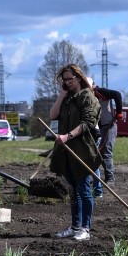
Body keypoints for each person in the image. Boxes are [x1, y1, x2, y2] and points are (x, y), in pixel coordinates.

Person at [48, 64, 101, 242]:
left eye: (70, 79)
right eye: (64, 80)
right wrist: (61, 95)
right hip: (66, 151)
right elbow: (53, 115)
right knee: (73, 190)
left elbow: (88, 123)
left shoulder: (88, 97)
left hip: (82, 149)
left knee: (84, 188)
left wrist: (68, 136)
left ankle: (85, 228)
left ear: (79, 78)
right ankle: (75, 226)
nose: (67, 83)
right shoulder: (67, 97)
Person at [91, 83, 123, 197]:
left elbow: (117, 94)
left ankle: (110, 178)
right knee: (98, 152)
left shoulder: (100, 92)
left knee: (106, 151)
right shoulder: (88, 97)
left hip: (109, 125)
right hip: (99, 128)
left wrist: (119, 112)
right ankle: (102, 178)